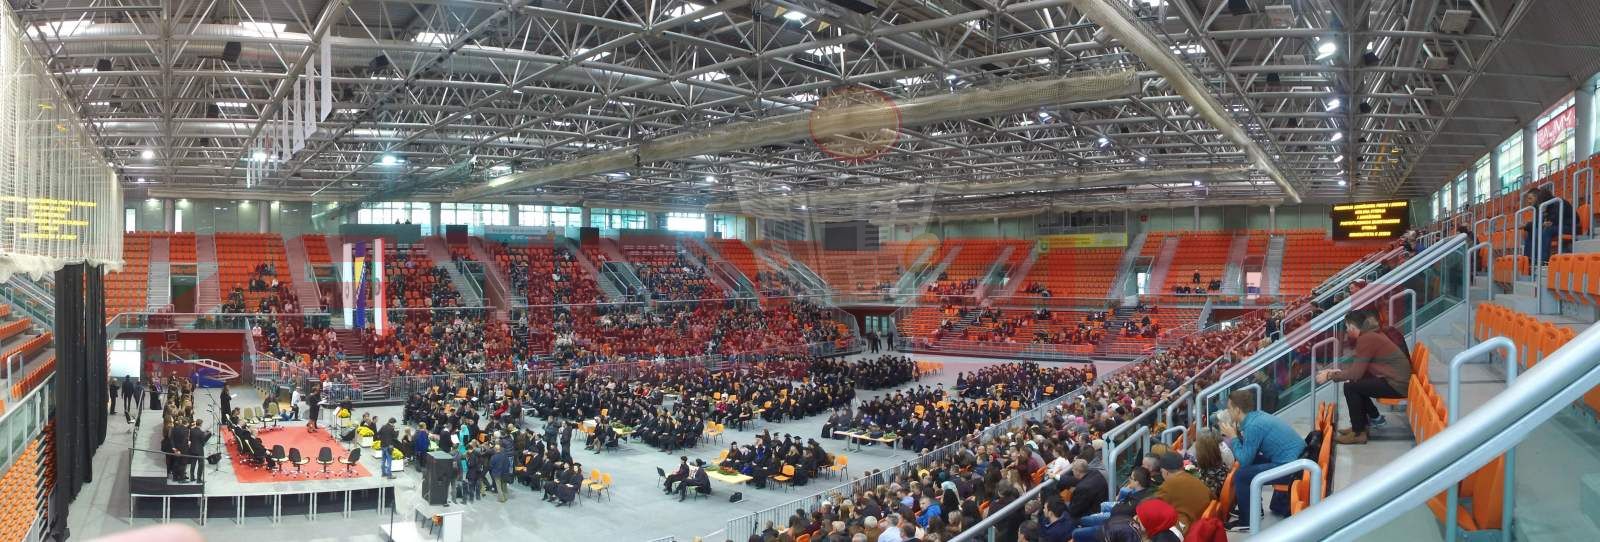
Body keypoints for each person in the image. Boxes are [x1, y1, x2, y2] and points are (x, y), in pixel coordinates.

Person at [1219, 389, 1302, 531]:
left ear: (1237, 410)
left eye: (1229, 409)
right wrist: (1237, 436)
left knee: (1241, 476)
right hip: (1295, 459)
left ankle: (1247, 521)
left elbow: (1244, 460)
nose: (1228, 412)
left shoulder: (1253, 426)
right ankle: (1254, 509)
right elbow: (1249, 453)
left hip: (1292, 468)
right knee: (1251, 463)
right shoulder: (1256, 417)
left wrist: (1233, 437)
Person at [1520, 186, 1574, 265]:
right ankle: (1528, 260)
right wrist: (1530, 225)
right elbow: (1539, 222)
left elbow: (1556, 219)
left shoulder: (1558, 202)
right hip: (1557, 226)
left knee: (1546, 230)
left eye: (1530, 198)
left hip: (1570, 227)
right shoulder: (1543, 206)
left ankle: (1543, 261)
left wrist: (1548, 222)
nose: (1528, 201)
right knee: (1532, 230)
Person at [1153, 452, 1209, 526]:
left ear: (1165, 472)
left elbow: (1153, 508)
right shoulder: (1194, 479)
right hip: (1204, 522)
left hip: (1191, 527)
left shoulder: (1168, 485)